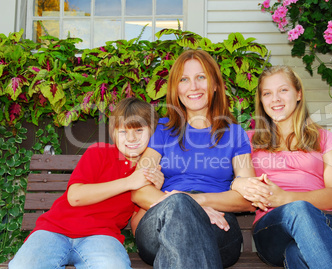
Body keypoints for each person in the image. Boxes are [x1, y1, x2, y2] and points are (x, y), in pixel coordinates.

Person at [130, 49, 256, 268]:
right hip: (161, 219)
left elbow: (247, 199)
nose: (193, 87)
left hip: (218, 224)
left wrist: (196, 203)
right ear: (176, 88)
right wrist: (181, 205)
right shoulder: (162, 130)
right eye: (184, 79)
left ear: (215, 84)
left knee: (181, 216)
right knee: (178, 207)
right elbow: (139, 189)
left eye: (201, 77)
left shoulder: (235, 134)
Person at [9, 98, 163, 269]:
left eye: (139, 130)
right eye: (123, 132)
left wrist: (150, 195)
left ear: (153, 132)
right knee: (23, 266)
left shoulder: (148, 170)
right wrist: (129, 182)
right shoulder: (99, 152)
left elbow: (136, 228)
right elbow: (75, 197)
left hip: (102, 237)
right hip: (54, 230)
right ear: (114, 133)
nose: (132, 138)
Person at [231, 66, 332, 268]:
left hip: (327, 221)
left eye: (283, 90)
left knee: (297, 253)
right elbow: (229, 177)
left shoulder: (325, 139)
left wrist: (285, 198)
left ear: (298, 94)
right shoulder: (248, 141)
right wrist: (237, 183)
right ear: (261, 101)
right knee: (298, 211)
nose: (275, 99)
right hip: (272, 228)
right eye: (267, 93)